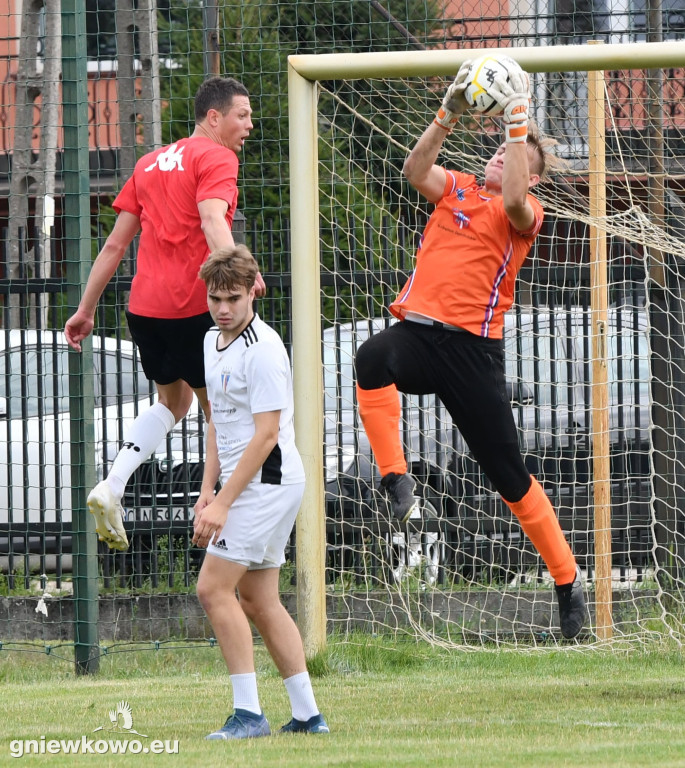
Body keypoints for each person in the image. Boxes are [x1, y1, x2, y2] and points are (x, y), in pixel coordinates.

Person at [354, 62, 587, 639]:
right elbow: (415, 169)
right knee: (371, 358)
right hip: (420, 335)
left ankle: (567, 583)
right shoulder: (456, 187)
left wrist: (517, 125)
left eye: (513, 162)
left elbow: (511, 198)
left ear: (531, 179)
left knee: (509, 476)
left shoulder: (526, 214)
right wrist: (448, 112)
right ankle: (397, 484)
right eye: (498, 154)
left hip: (473, 354)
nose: (499, 161)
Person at [64, 76, 264, 552]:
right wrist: (237, 277)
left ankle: (112, 484)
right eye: (243, 115)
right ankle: (215, 503)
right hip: (195, 307)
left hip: (146, 309)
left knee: (174, 404)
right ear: (213, 118)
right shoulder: (216, 156)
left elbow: (115, 244)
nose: (250, 126)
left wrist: (85, 309)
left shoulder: (150, 162)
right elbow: (214, 219)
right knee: (221, 407)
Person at [192, 245, 329, 740]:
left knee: (212, 589)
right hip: (246, 485)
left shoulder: (265, 349)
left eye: (232, 297)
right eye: (215, 298)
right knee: (257, 596)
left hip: (267, 485)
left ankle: (248, 715)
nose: (223, 308)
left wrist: (225, 502)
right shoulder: (211, 340)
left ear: (254, 291)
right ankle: (309, 716)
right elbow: (218, 420)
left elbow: (266, 435)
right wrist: (207, 491)